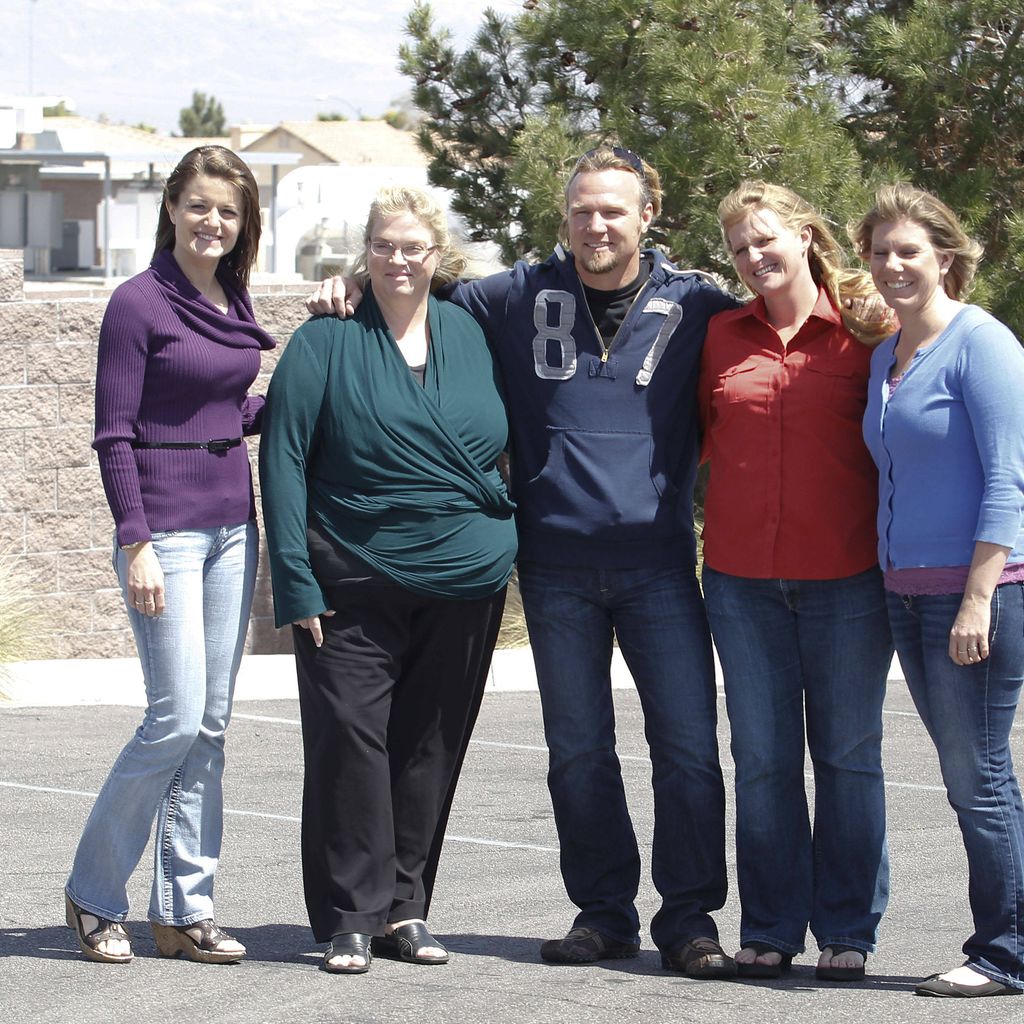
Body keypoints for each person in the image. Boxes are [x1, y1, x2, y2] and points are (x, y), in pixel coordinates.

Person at [309, 147, 740, 976]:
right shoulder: (513, 294)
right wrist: (353, 282)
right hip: (555, 569)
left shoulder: (699, 305)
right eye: (582, 210)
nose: (595, 224)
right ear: (564, 216)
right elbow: (412, 282)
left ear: (648, 215)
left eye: (612, 210)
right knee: (578, 754)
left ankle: (689, 920)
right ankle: (603, 915)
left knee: (687, 750)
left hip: (658, 567)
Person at [259, 185, 516, 975]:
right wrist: (294, 580)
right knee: (349, 741)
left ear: (438, 255)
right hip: (349, 576)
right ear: (363, 253)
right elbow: (284, 457)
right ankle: (350, 916)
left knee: (430, 747)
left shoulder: (471, 332)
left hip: (465, 580)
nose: (398, 260)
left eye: (413, 248)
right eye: (383, 247)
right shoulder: (324, 339)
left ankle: (405, 908)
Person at [64, 146, 275, 965]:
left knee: (211, 726)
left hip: (233, 527)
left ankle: (185, 911)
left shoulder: (232, 295)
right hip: (167, 536)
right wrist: (137, 543)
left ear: (243, 221)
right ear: (172, 209)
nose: (211, 221)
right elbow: (114, 434)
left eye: (227, 210)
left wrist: (284, 401)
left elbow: (220, 406)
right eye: (199, 205)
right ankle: (92, 894)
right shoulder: (137, 303)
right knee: (174, 717)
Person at [698, 181, 893, 982]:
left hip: (848, 581)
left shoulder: (869, 328)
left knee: (848, 757)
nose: (753, 256)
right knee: (763, 761)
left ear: (806, 235)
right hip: (740, 584)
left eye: (765, 239)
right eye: (739, 247)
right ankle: (772, 926)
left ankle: (848, 928)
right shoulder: (717, 335)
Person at [856, 183, 1024, 998]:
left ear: (946, 257)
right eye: (880, 251)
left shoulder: (981, 343)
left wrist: (978, 600)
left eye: (909, 251)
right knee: (970, 780)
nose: (893, 265)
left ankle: (1006, 954)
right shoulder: (886, 357)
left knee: (978, 780)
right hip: (906, 593)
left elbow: (1009, 480)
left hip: (974, 596)